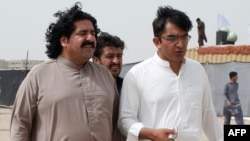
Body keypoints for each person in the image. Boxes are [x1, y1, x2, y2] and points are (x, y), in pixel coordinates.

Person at [10, 2, 121, 141]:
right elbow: (20, 125)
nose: (91, 38)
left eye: (93, 33)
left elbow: (116, 126)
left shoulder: (105, 76)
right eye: (83, 33)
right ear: (64, 40)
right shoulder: (38, 76)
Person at [118, 6, 223, 141]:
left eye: (184, 37)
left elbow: (208, 115)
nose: (180, 44)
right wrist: (152, 134)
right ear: (157, 42)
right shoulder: (137, 75)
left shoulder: (197, 70)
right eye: (172, 38)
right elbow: (125, 120)